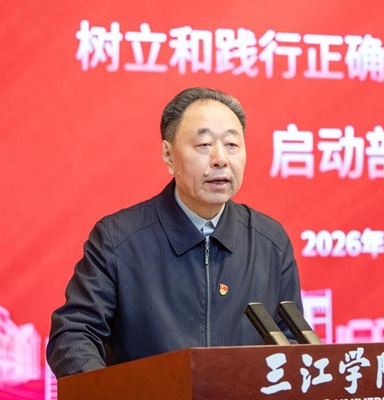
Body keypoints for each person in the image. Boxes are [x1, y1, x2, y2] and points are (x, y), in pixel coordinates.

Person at [46, 87, 304, 378]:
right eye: (204, 144)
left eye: (232, 144)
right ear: (168, 155)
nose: (220, 159)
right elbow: (73, 335)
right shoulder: (118, 239)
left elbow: (292, 342)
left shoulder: (270, 240)